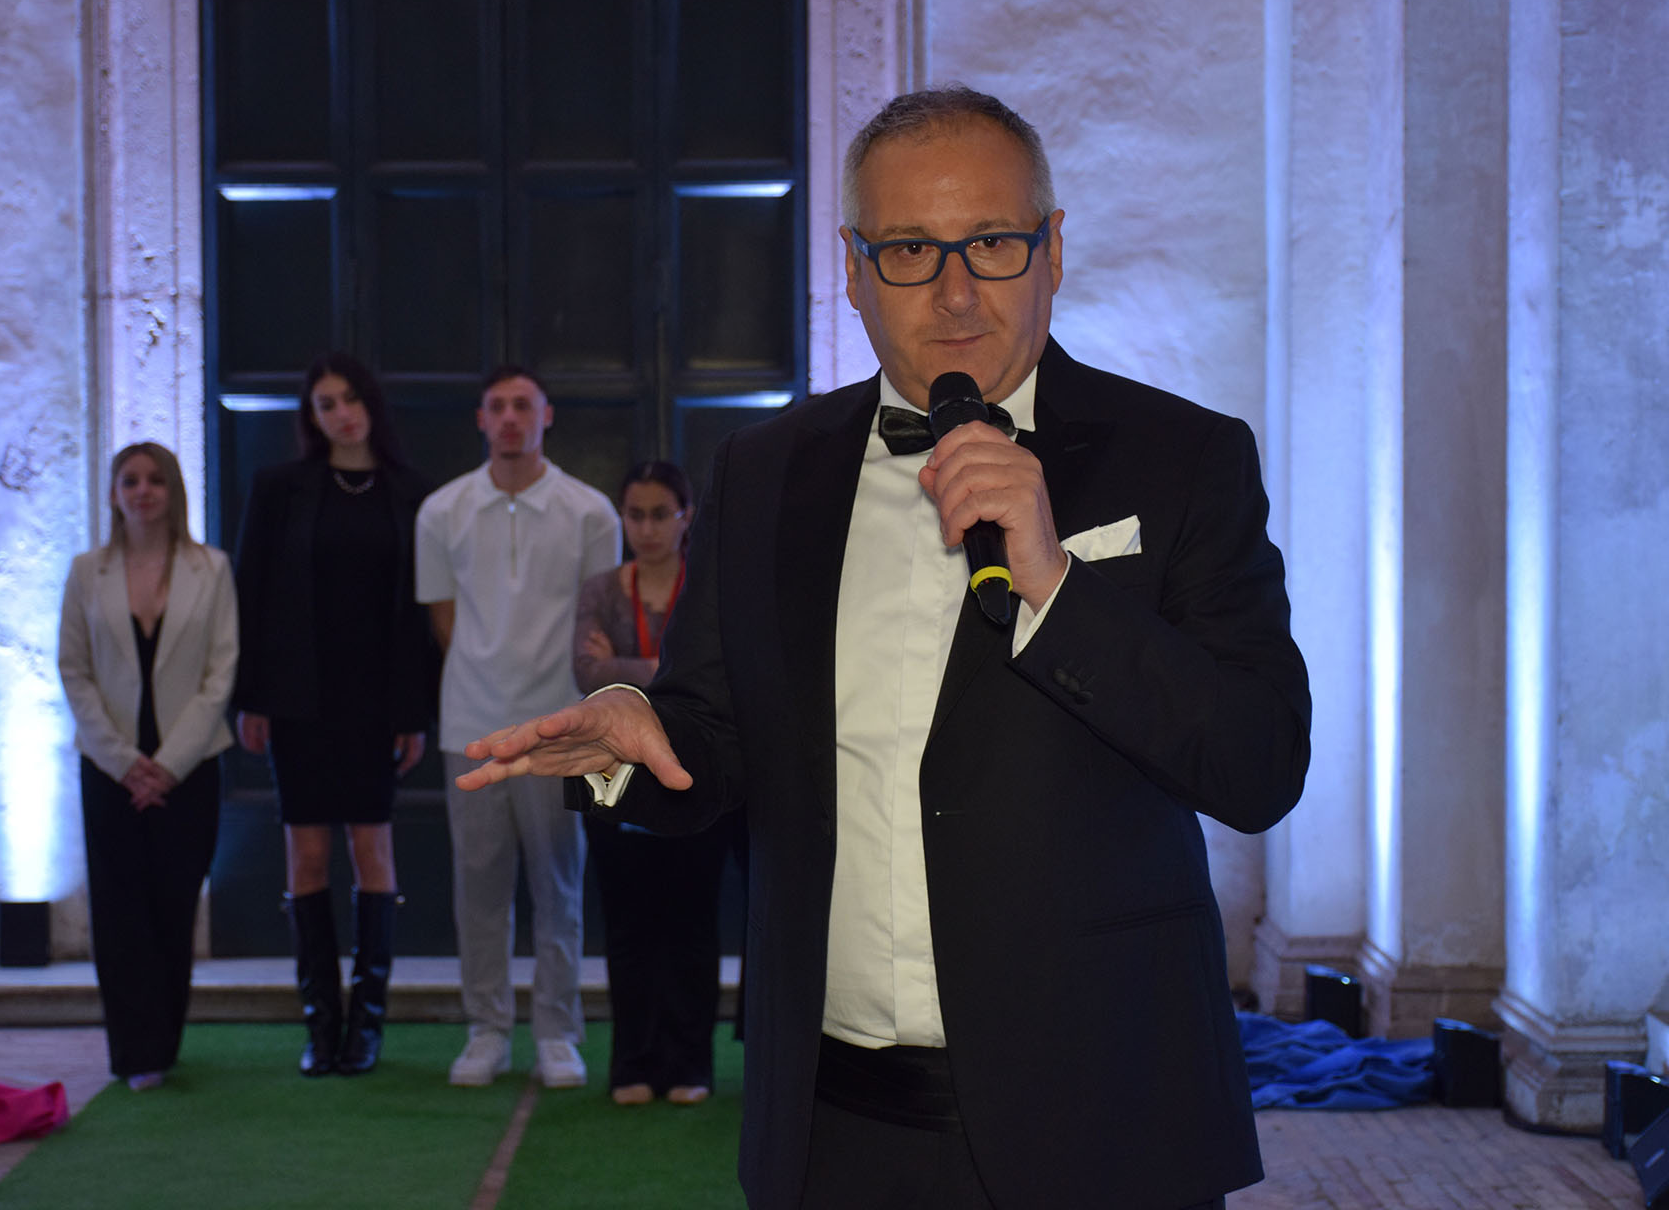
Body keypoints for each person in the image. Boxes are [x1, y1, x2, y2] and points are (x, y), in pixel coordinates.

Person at [457, 85, 1312, 1209]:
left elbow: (1258, 763)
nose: (955, 291)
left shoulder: (1185, 458)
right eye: (909, 250)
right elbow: (719, 735)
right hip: (836, 1128)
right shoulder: (766, 471)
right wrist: (641, 734)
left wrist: (1057, 586)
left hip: (1106, 1111)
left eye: (992, 242)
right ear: (855, 270)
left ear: (1053, 250)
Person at [414, 366, 620, 1089]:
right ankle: (487, 1031)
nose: (509, 418)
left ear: (545, 416)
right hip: (470, 725)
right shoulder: (441, 511)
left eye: (522, 406)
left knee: (558, 884)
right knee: (479, 885)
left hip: (561, 727)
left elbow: (597, 626)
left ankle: (557, 1032)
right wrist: (488, 682)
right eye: (497, 406)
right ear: (480, 419)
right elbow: (444, 619)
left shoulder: (590, 512)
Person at [233, 353, 436, 1077]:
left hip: (376, 701)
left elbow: (421, 613)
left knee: (373, 850)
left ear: (370, 403)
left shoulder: (413, 492)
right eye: (326, 404)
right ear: (311, 417)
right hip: (298, 699)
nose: (342, 414)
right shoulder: (279, 488)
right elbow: (251, 593)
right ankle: (321, 1023)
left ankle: (367, 1025)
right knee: (308, 854)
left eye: (350, 399)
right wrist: (250, 697)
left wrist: (413, 711)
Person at [58, 442, 237, 1093]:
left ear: (173, 490)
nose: (142, 491)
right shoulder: (87, 573)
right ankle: (134, 1052)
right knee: (119, 911)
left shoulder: (211, 569)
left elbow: (221, 673)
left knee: (171, 905)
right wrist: (125, 761)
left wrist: (167, 765)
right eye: (129, 481)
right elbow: (74, 671)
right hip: (110, 770)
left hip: (189, 767)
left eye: (155, 480)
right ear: (113, 493)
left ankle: (164, 1041)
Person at [573, 460, 735, 1107]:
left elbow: (724, 674)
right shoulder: (600, 589)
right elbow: (586, 673)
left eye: (660, 514)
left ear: (685, 517)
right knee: (628, 927)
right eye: (635, 515)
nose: (646, 528)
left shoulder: (712, 587)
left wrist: (626, 668)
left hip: (698, 775)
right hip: (612, 776)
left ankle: (691, 1066)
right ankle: (631, 1065)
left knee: (692, 926)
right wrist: (667, 672)